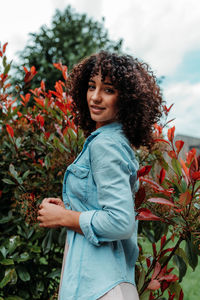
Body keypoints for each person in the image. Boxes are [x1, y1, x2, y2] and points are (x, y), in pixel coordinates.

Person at [37, 51, 163, 300]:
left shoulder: (105, 144)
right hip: (104, 284)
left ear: (125, 99)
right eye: (91, 86)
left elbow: (119, 222)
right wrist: (70, 207)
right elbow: (107, 206)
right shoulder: (113, 141)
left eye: (108, 90)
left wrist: (64, 217)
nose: (95, 97)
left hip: (101, 288)